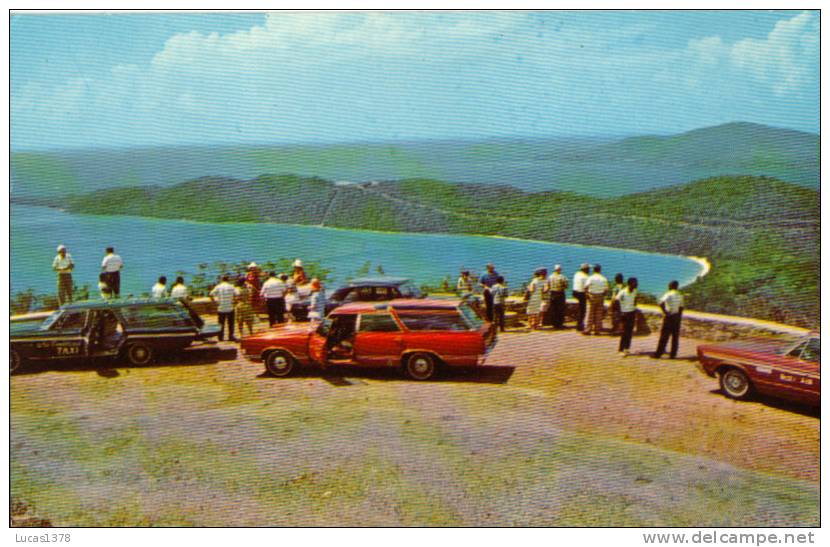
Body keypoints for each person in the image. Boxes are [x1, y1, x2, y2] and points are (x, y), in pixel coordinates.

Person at [653, 280, 685, 359]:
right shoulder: (680, 295)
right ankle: (673, 354)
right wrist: (678, 316)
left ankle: (658, 354)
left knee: (664, 336)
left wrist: (665, 312)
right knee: (675, 337)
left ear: (670, 286)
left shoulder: (668, 294)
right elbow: (681, 307)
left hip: (669, 317)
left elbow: (661, 303)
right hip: (676, 317)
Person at [210, 274, 240, 342]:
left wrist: (215, 301)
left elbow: (211, 294)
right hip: (230, 307)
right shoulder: (231, 286)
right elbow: (237, 294)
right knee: (231, 323)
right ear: (228, 279)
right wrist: (234, 301)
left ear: (221, 280)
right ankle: (230, 336)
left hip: (221, 308)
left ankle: (220, 337)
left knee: (221, 324)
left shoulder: (218, 286)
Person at [583, 264, 609, 335]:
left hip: (592, 296)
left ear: (594, 270)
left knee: (590, 313)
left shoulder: (591, 278)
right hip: (600, 296)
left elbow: (585, 287)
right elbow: (606, 289)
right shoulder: (603, 278)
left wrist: (587, 295)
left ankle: (588, 329)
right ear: (600, 270)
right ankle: (597, 330)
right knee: (599, 314)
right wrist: (602, 295)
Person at [616, 277, 638, 355]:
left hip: (631, 313)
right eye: (635, 283)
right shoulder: (623, 292)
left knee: (629, 332)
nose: (636, 284)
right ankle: (620, 349)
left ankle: (627, 348)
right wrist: (620, 312)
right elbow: (617, 301)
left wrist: (634, 308)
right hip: (624, 313)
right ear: (629, 284)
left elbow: (635, 300)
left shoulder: (635, 291)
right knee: (624, 332)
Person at [547, 265, 569, 329]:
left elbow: (547, 285)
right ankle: (560, 324)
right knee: (560, 309)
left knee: (553, 309)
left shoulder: (550, 277)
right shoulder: (562, 277)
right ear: (560, 269)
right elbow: (566, 286)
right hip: (560, 293)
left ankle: (554, 324)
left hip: (552, 293)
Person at [572, 263, 590, 331]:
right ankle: (579, 325)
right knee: (582, 310)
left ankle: (579, 323)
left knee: (580, 309)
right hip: (581, 293)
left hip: (575, 292)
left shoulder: (577, 274)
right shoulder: (586, 277)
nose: (589, 270)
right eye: (588, 269)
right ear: (585, 269)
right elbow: (586, 288)